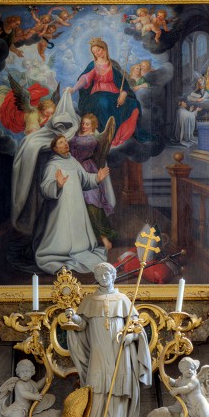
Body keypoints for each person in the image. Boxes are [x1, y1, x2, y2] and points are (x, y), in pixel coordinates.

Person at [65, 261, 153, 417]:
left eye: (106, 275)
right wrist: (74, 317)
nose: (103, 278)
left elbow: (137, 328)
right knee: (96, 384)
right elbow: (82, 326)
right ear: (96, 278)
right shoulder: (89, 300)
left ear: (113, 276)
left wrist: (131, 337)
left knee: (119, 385)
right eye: (100, 276)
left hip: (119, 349)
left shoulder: (123, 300)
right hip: (98, 349)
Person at [35, 134, 110, 273]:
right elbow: (44, 188)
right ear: (55, 149)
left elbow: (85, 179)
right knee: (62, 241)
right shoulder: (52, 165)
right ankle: (61, 251)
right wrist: (57, 185)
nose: (65, 144)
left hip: (77, 205)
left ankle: (78, 248)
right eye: (61, 142)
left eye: (65, 141)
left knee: (80, 240)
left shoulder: (73, 161)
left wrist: (97, 178)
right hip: (61, 209)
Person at [67, 38, 140, 147]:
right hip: (98, 94)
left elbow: (123, 83)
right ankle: (106, 136)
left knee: (133, 104)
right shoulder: (93, 65)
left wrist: (123, 94)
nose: (96, 53)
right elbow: (84, 78)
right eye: (94, 52)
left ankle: (117, 135)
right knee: (103, 102)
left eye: (98, 50)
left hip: (114, 94)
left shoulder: (113, 64)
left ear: (104, 49)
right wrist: (74, 89)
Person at [69, 114, 116, 251]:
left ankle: (104, 237)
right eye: (83, 123)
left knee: (93, 203)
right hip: (74, 171)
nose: (84, 126)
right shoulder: (76, 135)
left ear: (93, 126)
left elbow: (78, 148)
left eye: (87, 124)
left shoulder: (93, 139)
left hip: (88, 169)